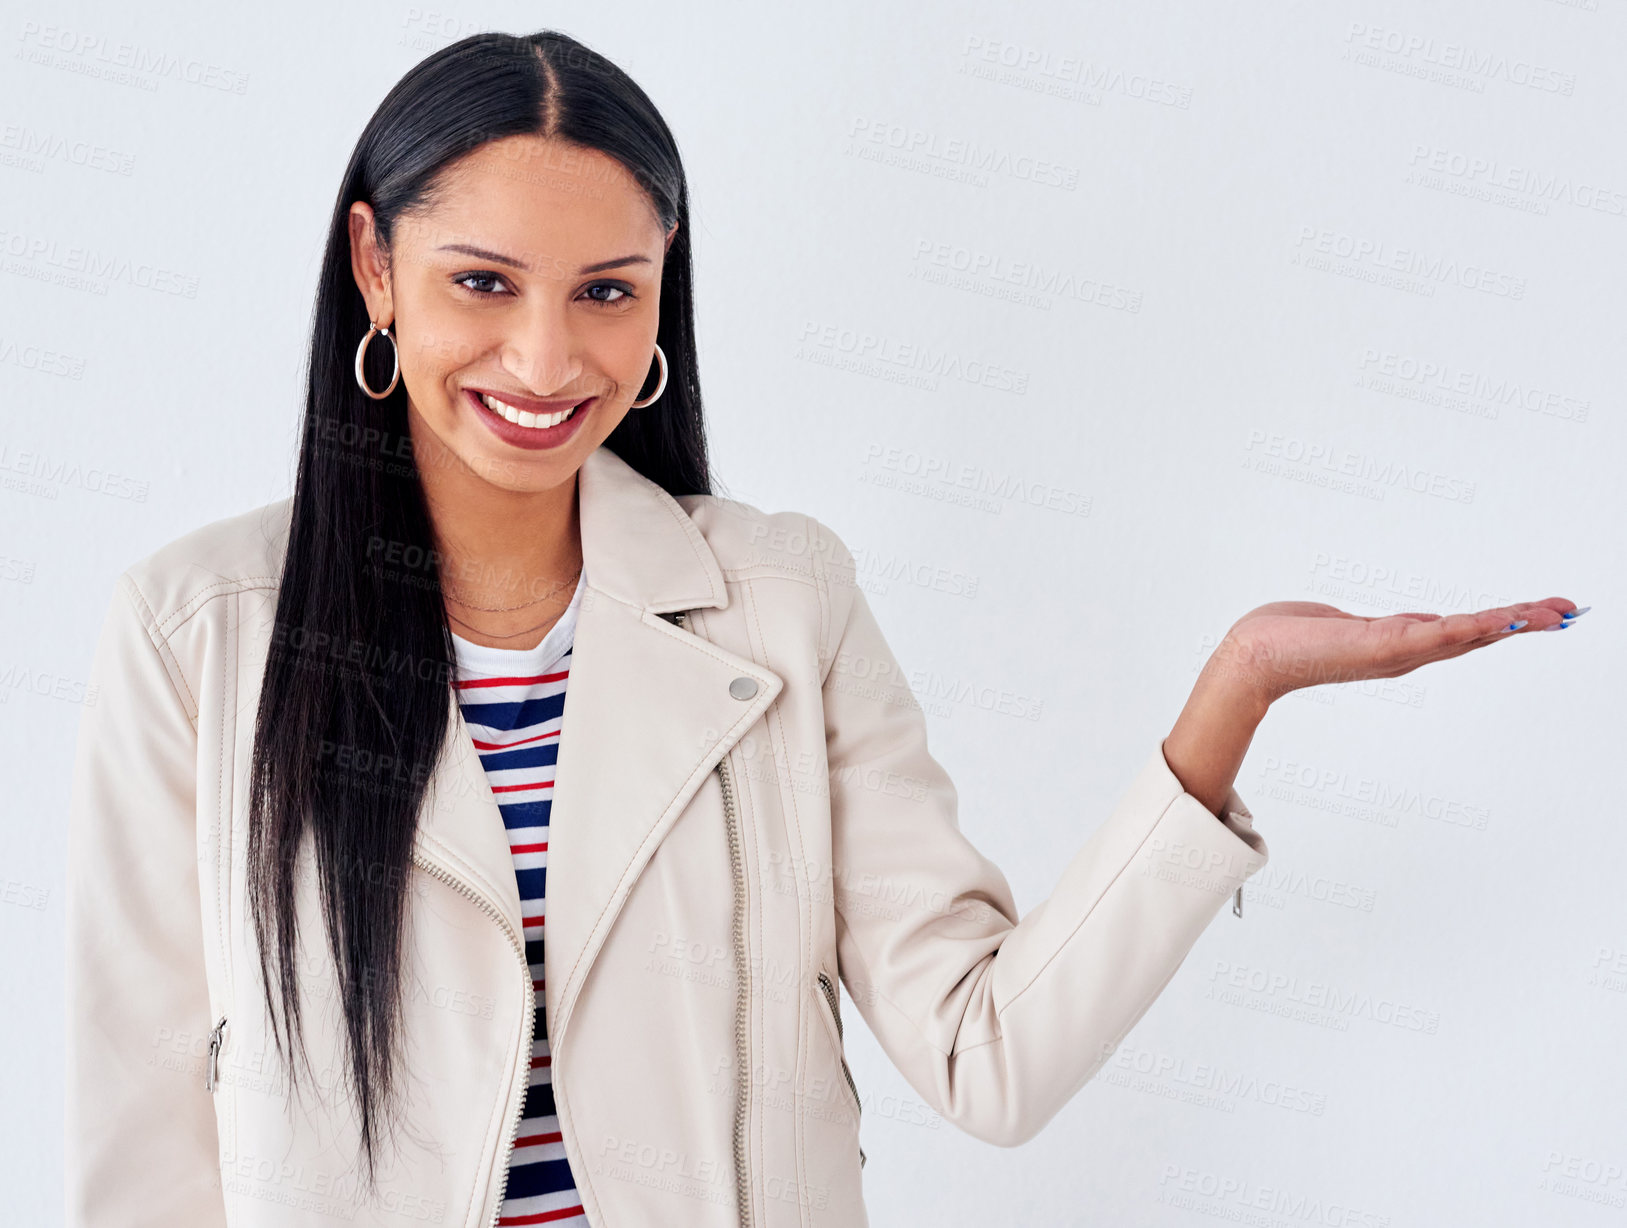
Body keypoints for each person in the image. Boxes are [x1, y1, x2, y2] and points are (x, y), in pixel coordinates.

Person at [62, 28, 1585, 1228]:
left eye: (608, 288)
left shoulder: (783, 603)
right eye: (482, 282)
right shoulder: (200, 633)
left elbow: (989, 1056)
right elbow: (140, 1149)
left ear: (666, 297)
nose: (545, 354)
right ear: (375, 270)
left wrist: (1235, 693)